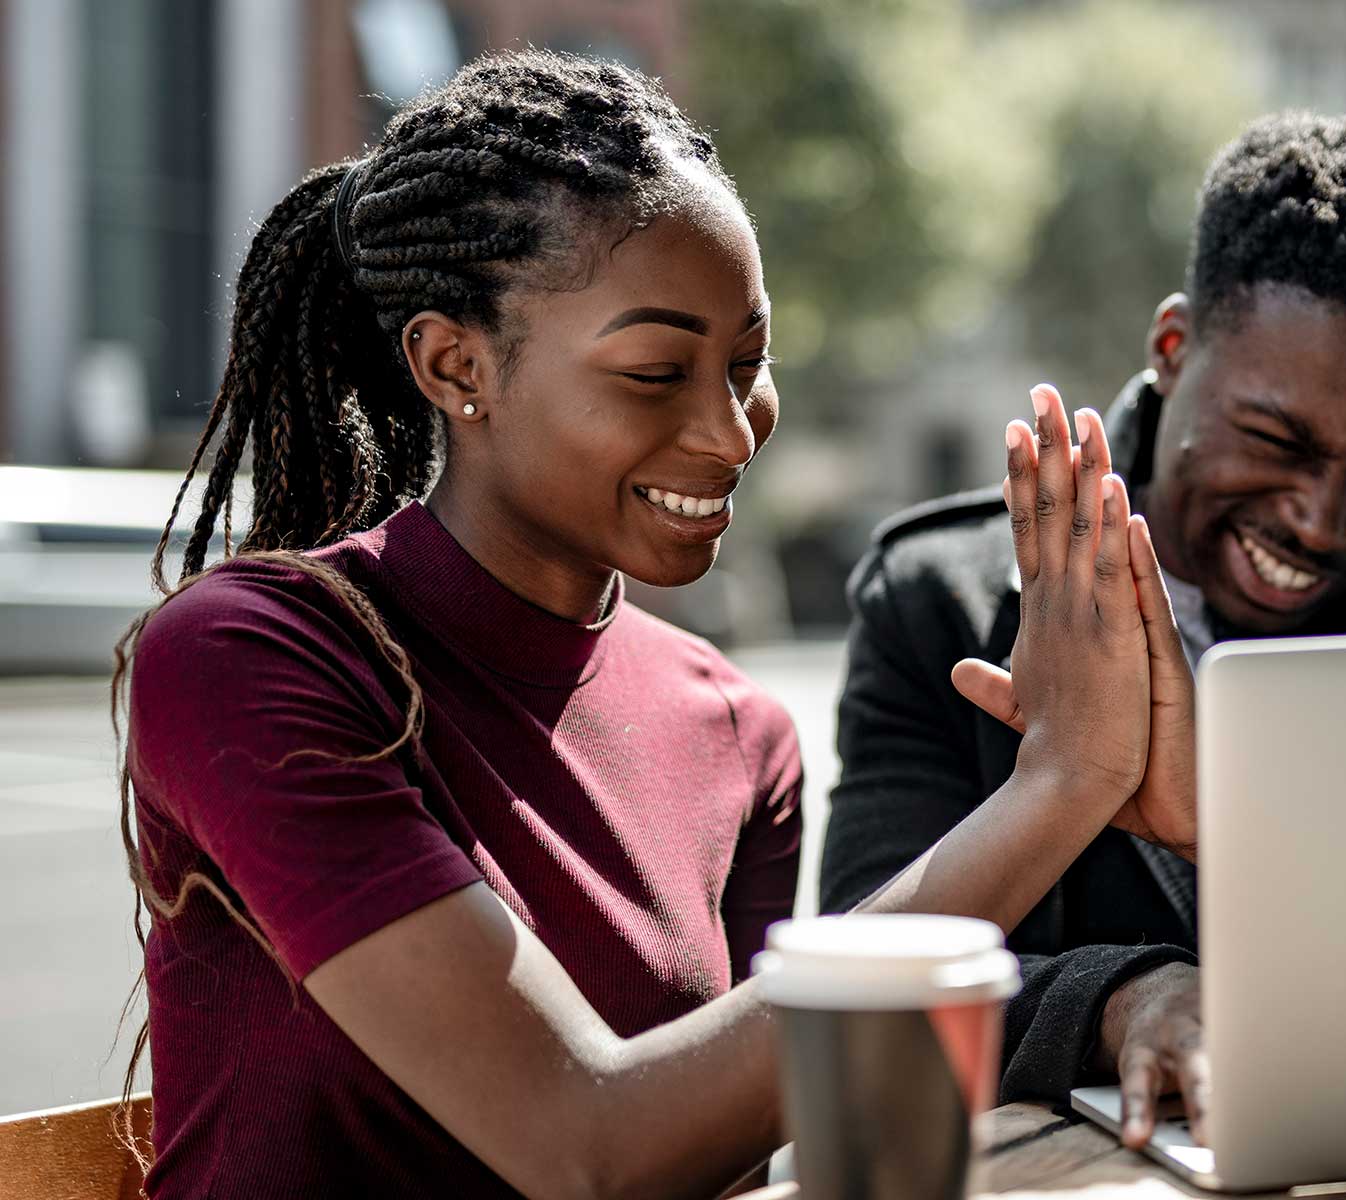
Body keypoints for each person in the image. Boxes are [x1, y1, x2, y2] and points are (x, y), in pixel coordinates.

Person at [114, 50, 1188, 1200]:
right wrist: (1063, 782)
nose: (731, 435)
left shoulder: (738, 731)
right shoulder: (253, 655)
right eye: (656, 371)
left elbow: (721, 1148)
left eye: (747, 361)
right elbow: (589, 1148)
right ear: (454, 364)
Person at [821, 111, 1346, 1148]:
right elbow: (865, 969)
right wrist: (1120, 999)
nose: (1322, 520)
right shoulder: (941, 605)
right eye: (1277, 440)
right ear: (1175, 348)